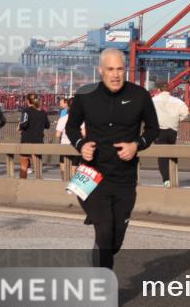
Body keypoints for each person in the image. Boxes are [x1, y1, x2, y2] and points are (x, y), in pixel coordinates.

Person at [65, 49, 159, 269]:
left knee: (114, 242)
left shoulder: (139, 95)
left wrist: (137, 145)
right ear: (101, 71)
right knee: (105, 231)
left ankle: (100, 250)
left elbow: (153, 129)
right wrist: (81, 145)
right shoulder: (84, 95)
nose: (116, 75)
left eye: (120, 69)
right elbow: (71, 127)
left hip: (124, 179)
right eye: (110, 69)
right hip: (91, 175)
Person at [151, 80, 190, 187]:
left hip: (159, 130)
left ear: (158, 89)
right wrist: (177, 120)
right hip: (172, 130)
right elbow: (186, 114)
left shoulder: (153, 100)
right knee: (172, 153)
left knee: (162, 156)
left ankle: (166, 180)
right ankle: (173, 176)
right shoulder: (178, 101)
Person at [19, 94, 50, 178]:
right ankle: (39, 182)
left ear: (28, 101)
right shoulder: (43, 112)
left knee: (24, 164)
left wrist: (20, 127)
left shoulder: (26, 111)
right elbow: (47, 125)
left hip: (26, 140)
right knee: (37, 164)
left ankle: (22, 183)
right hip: (38, 140)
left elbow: (24, 124)